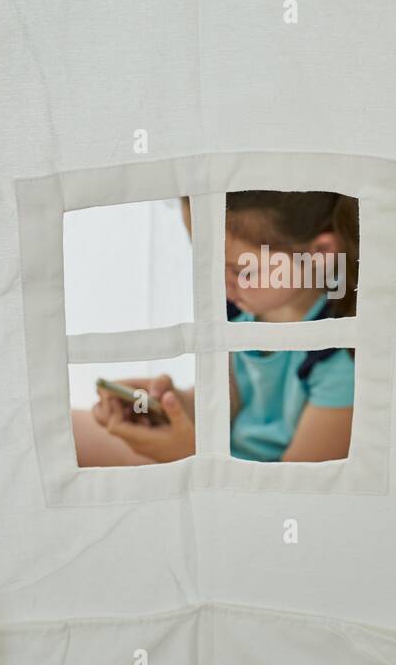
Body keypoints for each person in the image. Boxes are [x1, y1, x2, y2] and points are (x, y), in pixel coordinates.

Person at [70, 191, 358, 464]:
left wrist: (187, 454)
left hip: (251, 487)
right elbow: (231, 399)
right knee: (65, 433)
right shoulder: (242, 307)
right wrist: (173, 406)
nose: (219, 283)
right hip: (213, 456)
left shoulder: (340, 356)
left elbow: (294, 496)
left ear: (320, 253)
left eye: (241, 271)